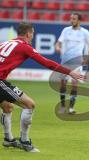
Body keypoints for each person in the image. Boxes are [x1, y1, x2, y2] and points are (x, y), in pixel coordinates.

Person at [0, 22, 84, 152]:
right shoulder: (25, 46)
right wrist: (70, 72)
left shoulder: (7, 42)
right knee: (29, 104)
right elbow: (46, 63)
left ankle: (8, 139)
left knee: (7, 106)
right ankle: (25, 141)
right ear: (28, 34)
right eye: (32, 33)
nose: (33, 36)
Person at [55, 12, 89, 114]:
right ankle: (63, 106)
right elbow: (58, 42)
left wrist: (87, 58)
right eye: (71, 18)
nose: (72, 20)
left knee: (74, 84)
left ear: (79, 20)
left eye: (74, 19)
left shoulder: (85, 32)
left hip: (77, 62)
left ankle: (71, 108)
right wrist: (57, 47)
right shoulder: (66, 30)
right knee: (63, 84)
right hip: (65, 60)